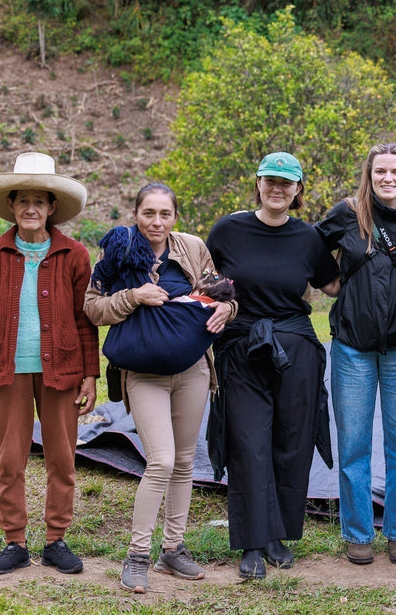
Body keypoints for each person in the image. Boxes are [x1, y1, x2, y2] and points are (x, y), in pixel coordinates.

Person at [84, 183, 237, 593]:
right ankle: (136, 556)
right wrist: (134, 296)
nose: (157, 222)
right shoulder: (119, 250)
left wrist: (227, 308)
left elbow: (221, 292)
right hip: (143, 371)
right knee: (162, 461)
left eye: (164, 214)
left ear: (175, 217)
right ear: (136, 213)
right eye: (148, 213)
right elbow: (93, 307)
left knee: (185, 461)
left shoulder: (190, 247)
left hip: (192, 370)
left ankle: (173, 549)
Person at [206, 152, 340, 580]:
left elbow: (334, 284)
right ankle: (250, 542)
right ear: (258, 183)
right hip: (242, 347)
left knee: (291, 442)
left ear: (299, 190)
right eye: (270, 180)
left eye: (287, 182)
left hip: (296, 348)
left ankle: (277, 534)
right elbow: (204, 278)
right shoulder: (229, 229)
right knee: (248, 443)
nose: (277, 188)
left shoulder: (309, 238)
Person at [0, 152, 99, 576]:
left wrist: (91, 375)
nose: (31, 209)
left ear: (52, 206)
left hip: (62, 370)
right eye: (23, 200)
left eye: (39, 201)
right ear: (12, 206)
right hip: (5, 371)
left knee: (62, 458)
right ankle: (15, 541)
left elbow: (85, 321)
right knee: (9, 460)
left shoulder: (75, 256)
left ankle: (57, 539)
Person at [316, 143, 396, 567]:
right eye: (380, 171)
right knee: (354, 443)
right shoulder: (347, 214)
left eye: (395, 172)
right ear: (369, 175)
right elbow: (311, 245)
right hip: (352, 347)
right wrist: (331, 282)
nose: (387, 178)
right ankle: (358, 532)